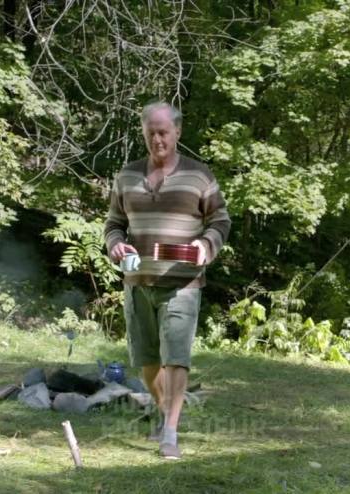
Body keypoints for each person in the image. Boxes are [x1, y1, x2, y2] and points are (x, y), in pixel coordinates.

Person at [104, 102, 231, 459]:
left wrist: (206, 246)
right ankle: (164, 412)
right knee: (148, 362)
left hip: (182, 284)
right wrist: (115, 245)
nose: (157, 139)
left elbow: (220, 221)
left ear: (177, 132)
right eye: (151, 132)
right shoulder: (127, 175)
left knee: (176, 358)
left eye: (163, 132)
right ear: (144, 133)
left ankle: (170, 434)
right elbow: (114, 223)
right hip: (137, 280)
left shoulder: (199, 175)